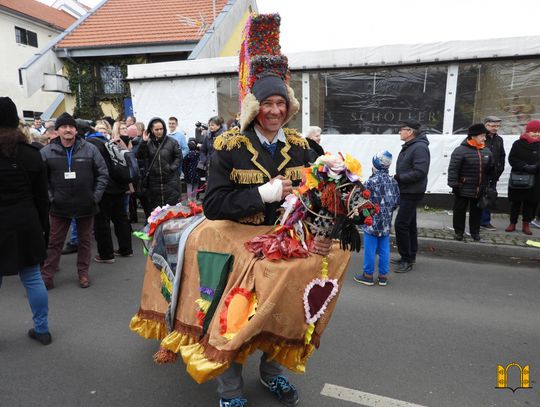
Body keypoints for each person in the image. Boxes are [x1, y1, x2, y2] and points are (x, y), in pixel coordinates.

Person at [204, 72, 332, 407]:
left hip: (288, 249)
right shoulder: (229, 146)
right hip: (242, 252)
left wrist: (321, 232)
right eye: (267, 103)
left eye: (281, 103)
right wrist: (261, 194)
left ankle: (272, 372)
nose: (275, 110)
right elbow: (213, 205)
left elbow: (318, 200)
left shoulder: (304, 148)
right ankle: (230, 391)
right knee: (234, 317)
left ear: (289, 109)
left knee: (285, 315)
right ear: (254, 108)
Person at [0, 97, 51, 345]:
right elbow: (43, 199)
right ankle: (42, 329)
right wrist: (44, 229)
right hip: (27, 222)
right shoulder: (32, 155)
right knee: (32, 277)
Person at [40, 112, 108, 289]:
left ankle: (83, 274)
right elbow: (41, 179)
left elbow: (103, 174)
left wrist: (95, 197)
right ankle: (47, 276)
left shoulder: (90, 149)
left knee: (84, 242)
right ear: (58, 131)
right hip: (59, 206)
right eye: (64, 127)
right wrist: (51, 198)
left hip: (86, 204)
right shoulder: (46, 152)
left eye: (71, 127)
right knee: (54, 243)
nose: (68, 130)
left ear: (76, 130)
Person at [86, 125, 133, 262]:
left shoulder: (89, 144)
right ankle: (126, 249)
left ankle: (106, 254)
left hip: (104, 188)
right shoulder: (109, 142)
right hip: (119, 185)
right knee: (121, 218)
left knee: (102, 221)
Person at [354, 151, 399, 286]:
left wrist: (365, 216)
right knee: (384, 249)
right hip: (386, 221)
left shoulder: (370, 181)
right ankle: (383, 276)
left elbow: (362, 201)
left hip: (371, 221)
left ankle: (368, 275)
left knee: (370, 249)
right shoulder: (393, 181)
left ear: (375, 165)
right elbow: (396, 201)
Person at [392, 120, 430, 272]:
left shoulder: (419, 147)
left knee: (401, 224)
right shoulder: (412, 146)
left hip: (412, 191)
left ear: (410, 132)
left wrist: (399, 177)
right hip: (407, 190)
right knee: (410, 224)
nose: (400, 132)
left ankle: (407, 259)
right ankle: (410, 255)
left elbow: (420, 171)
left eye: (402, 130)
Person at [447, 124, 493, 242]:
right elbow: (453, 169)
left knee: (477, 212)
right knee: (459, 211)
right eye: (482, 136)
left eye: (485, 136)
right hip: (462, 187)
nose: (484, 138)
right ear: (473, 136)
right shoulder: (460, 150)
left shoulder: (486, 150)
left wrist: (491, 173)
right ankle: (459, 232)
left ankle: (475, 233)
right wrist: (454, 184)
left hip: (479, 188)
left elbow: (490, 169)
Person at [135, 117, 182, 211]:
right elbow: (139, 156)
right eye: (156, 129)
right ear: (151, 130)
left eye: (161, 129)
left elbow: (179, 157)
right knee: (157, 212)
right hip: (154, 183)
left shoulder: (172, 142)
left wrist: (171, 168)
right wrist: (143, 142)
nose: (159, 131)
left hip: (170, 182)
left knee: (171, 211)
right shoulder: (147, 143)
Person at [505, 120, 540, 235]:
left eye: (539, 132)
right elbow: (512, 159)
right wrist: (524, 166)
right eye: (534, 131)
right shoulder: (518, 143)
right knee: (516, 202)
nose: (536, 134)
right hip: (519, 177)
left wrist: (535, 166)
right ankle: (512, 223)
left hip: (535, 177)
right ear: (528, 132)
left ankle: (526, 224)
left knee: (529, 203)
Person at [480, 116, 505, 231]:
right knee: (478, 197)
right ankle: (476, 221)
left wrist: (499, 170)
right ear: (485, 125)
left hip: (493, 174)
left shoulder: (499, 140)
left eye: (498, 126)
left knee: (489, 197)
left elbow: (502, 156)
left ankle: (485, 221)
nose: (496, 128)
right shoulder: (480, 137)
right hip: (480, 173)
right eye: (493, 125)